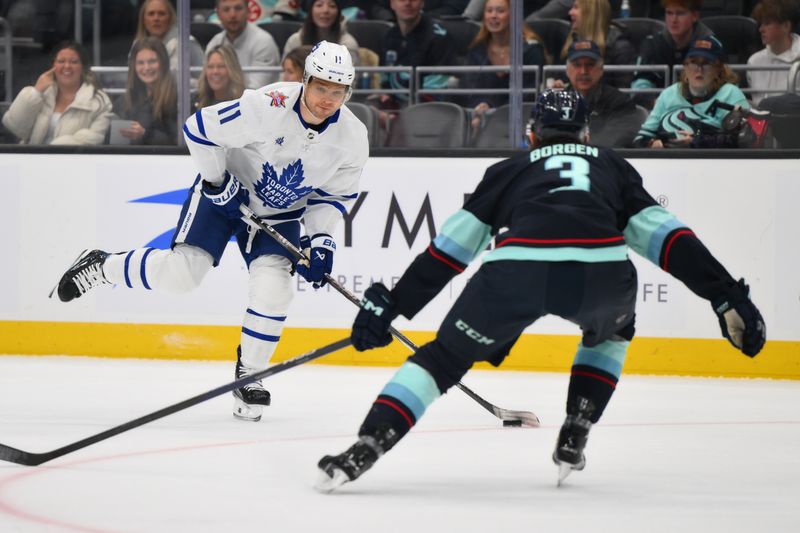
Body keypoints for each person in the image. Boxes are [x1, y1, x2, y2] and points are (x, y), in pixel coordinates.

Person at [313, 89, 766, 492]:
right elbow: (667, 238)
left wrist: (392, 306)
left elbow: (449, 252)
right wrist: (725, 294)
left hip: (517, 272)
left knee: (440, 361)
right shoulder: (611, 166)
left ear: (533, 134)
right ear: (586, 133)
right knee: (612, 332)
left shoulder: (510, 169)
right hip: (601, 275)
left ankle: (368, 445)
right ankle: (576, 427)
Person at [55, 41, 368, 423]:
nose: (327, 100)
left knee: (275, 290)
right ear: (305, 81)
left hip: (279, 213)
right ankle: (100, 267)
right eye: (321, 88)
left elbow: (331, 198)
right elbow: (198, 130)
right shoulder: (267, 106)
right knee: (181, 276)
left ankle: (250, 376)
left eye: (338, 92)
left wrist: (321, 241)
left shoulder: (352, 138)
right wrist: (218, 182)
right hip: (225, 194)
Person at [633, 36, 750, 149]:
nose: (699, 69)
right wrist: (654, 145)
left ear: (718, 69)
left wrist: (696, 141)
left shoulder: (730, 93)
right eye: (693, 62)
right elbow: (641, 139)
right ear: (685, 66)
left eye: (706, 63)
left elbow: (744, 139)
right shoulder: (668, 94)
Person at [2, 41, 112, 145]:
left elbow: (95, 137)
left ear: (83, 67)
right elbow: (15, 128)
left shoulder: (99, 101)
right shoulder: (42, 93)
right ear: (53, 66)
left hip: (74, 162)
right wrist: (36, 92)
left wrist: (52, 150)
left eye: (74, 62)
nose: (67, 66)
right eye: (61, 61)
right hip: (32, 161)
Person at [464, 0, 547, 134]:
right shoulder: (477, 50)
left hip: (522, 121)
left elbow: (529, 93)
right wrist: (481, 105)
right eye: (489, 11)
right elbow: (471, 88)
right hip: (483, 121)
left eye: (500, 11)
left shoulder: (531, 51)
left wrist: (494, 109)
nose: (493, 16)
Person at [552, 39, 641, 147]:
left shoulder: (619, 102)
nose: (583, 71)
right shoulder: (555, 102)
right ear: (567, 71)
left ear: (601, 69)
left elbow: (614, 142)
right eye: (577, 65)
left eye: (590, 65)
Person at [376, 0, 458, 109]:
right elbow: (385, 84)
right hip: (395, 110)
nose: (408, 3)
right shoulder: (389, 37)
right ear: (392, 3)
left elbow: (435, 96)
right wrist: (385, 101)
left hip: (428, 113)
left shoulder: (438, 38)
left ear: (422, 3)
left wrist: (397, 116)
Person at [631, 0, 714, 107]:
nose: (673, 20)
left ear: (695, 16)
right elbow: (638, 87)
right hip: (658, 111)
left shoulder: (711, 46)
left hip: (700, 111)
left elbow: (719, 88)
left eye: (680, 13)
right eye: (669, 13)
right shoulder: (652, 44)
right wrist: (658, 103)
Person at [111, 37, 178, 146]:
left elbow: (178, 142)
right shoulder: (124, 101)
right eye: (140, 63)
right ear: (134, 66)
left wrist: (145, 134)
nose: (146, 67)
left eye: (152, 61)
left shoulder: (178, 101)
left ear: (163, 63)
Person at [558, 0, 635, 88]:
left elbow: (624, 91)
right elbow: (564, 79)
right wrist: (560, 84)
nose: (570, 12)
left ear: (590, 13)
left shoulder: (620, 46)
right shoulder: (572, 41)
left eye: (575, 7)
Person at [206, 0, 282, 89]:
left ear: (248, 11)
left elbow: (256, 90)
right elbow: (205, 85)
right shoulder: (215, 43)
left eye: (238, 8)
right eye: (226, 10)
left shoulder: (263, 41)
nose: (232, 15)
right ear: (218, 14)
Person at [747, 0, 800, 106]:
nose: (761, 29)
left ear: (786, 26)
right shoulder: (754, 61)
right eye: (761, 24)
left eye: (767, 23)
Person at [134, 0, 205, 71]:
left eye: (161, 14)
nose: (156, 18)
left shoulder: (185, 42)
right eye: (151, 14)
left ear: (170, 18)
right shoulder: (137, 44)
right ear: (143, 19)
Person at [283, 0, 360, 66]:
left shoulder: (347, 44)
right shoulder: (295, 40)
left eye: (332, 6)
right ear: (310, 11)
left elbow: (350, 81)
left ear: (339, 13)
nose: (325, 10)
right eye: (319, 5)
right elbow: (284, 75)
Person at [194, 45, 247, 110]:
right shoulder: (195, 102)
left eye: (221, 66)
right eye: (210, 66)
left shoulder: (245, 102)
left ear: (232, 70)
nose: (215, 71)